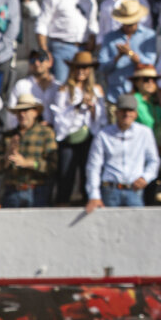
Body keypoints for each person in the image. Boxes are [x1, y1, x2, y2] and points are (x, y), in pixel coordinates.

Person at [84, 92, 160, 212]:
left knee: (137, 227)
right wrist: (94, 195)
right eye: (123, 110)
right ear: (116, 112)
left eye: (130, 110)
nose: (127, 114)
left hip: (134, 190)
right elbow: (93, 166)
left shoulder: (145, 133)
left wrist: (146, 178)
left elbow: (154, 161)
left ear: (136, 113)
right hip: (110, 189)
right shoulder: (103, 134)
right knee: (108, 228)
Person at [51, 51, 104, 205]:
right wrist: (78, 106)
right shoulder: (64, 90)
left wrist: (92, 108)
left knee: (88, 174)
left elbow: (102, 119)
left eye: (85, 68)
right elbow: (59, 119)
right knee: (66, 174)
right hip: (69, 137)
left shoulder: (97, 90)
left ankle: (88, 201)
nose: (81, 71)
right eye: (78, 68)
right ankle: (62, 204)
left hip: (89, 136)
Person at [36, 0, 98, 84]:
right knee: (62, 87)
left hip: (83, 49)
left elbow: (93, 24)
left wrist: (92, 41)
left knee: (82, 88)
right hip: (61, 48)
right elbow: (42, 24)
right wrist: (44, 49)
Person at [0, 93, 57, 207]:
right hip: (12, 190)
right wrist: (8, 156)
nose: (22, 114)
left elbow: (52, 166)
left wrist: (28, 163)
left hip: (37, 190)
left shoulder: (46, 133)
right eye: (19, 111)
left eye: (26, 110)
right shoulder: (8, 136)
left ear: (35, 112)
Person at [98, 0, 157, 102]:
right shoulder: (109, 38)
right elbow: (102, 67)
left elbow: (151, 63)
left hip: (140, 95)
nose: (130, 26)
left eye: (132, 23)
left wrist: (132, 55)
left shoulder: (149, 36)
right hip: (115, 93)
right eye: (127, 23)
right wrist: (117, 58)